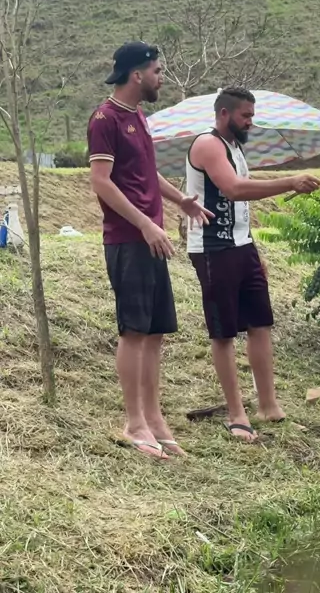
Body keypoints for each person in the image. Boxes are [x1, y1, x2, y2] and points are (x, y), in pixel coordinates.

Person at [87, 41, 212, 460]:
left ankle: (155, 419)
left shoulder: (138, 116)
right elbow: (101, 181)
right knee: (135, 331)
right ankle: (134, 423)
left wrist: (181, 201)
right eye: (158, 71)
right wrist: (143, 223)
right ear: (137, 74)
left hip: (151, 236)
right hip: (129, 240)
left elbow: (145, 172)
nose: (162, 78)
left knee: (155, 331)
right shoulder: (104, 119)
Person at [186, 86, 320, 442]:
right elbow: (234, 189)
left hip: (242, 246)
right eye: (245, 115)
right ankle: (236, 414)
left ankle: (268, 406)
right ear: (224, 113)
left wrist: (254, 251)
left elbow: (241, 204)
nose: (251, 121)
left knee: (261, 323)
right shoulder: (208, 144)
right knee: (224, 333)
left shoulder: (235, 147)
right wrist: (290, 181)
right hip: (214, 248)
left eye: (252, 115)